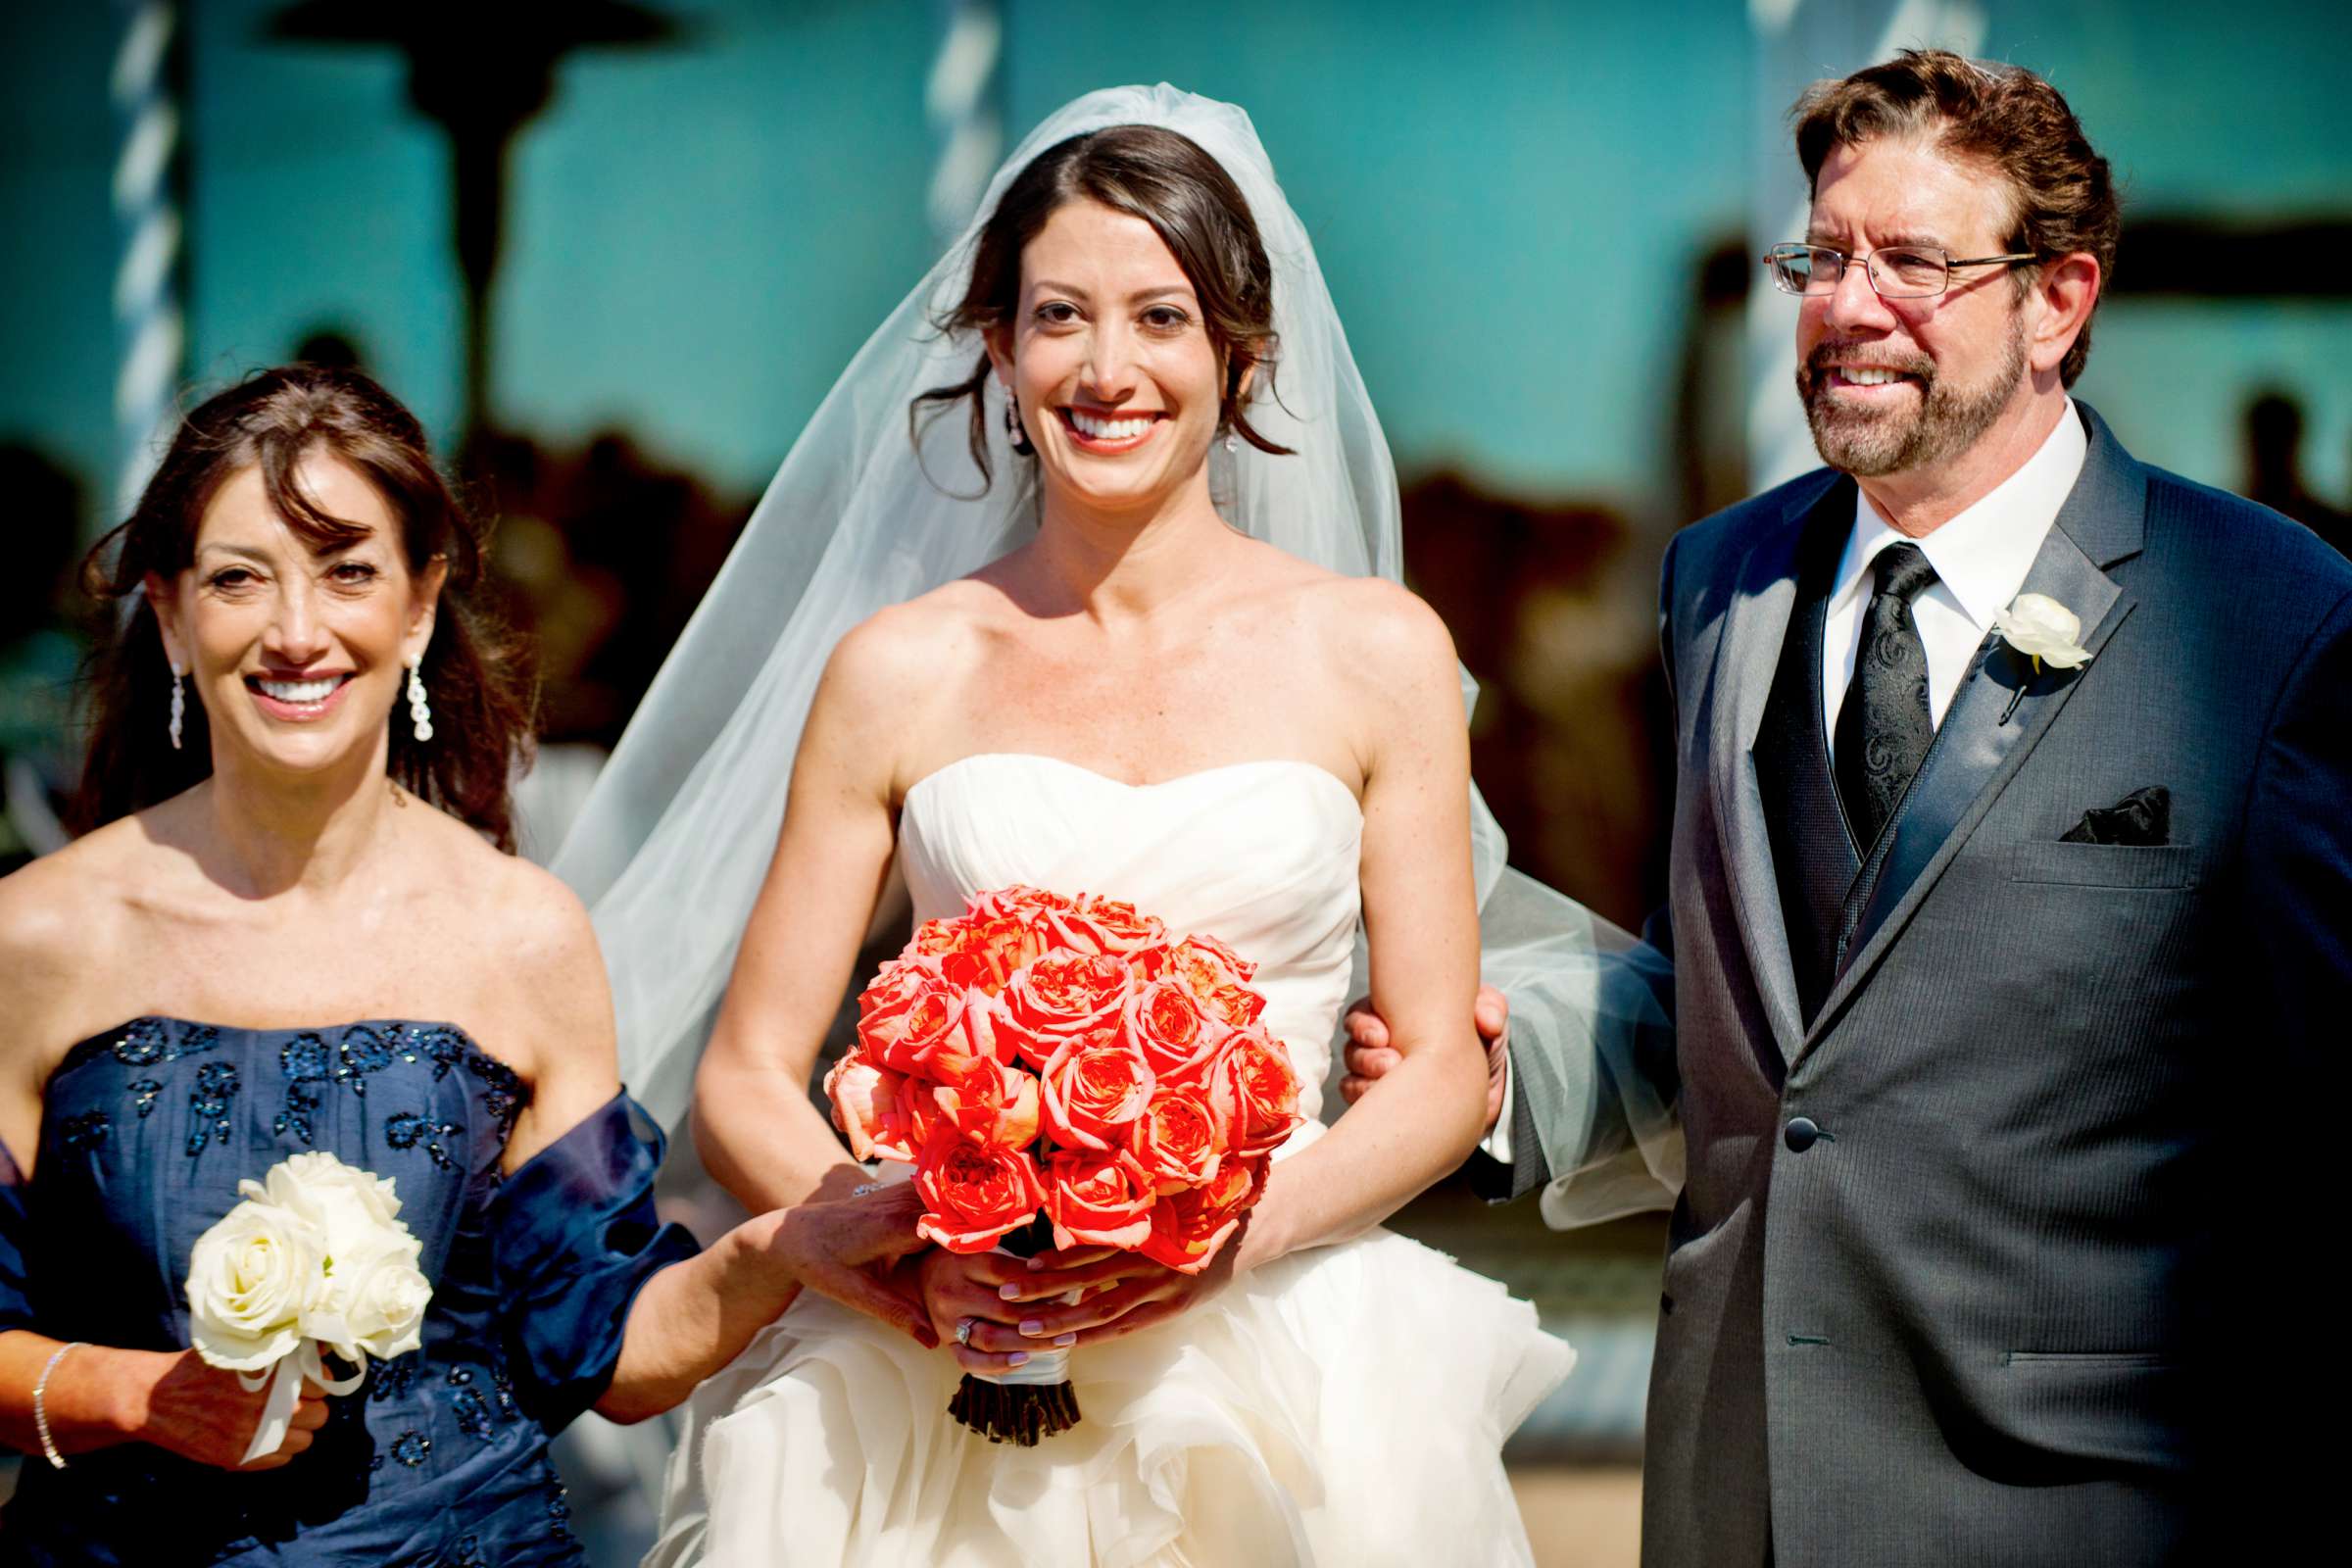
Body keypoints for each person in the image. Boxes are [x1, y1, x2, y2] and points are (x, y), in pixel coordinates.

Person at [552, 87, 1646, 1566]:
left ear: (1239, 352)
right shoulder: (901, 666)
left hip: (1282, 1358)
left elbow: (1443, 1065)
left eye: (1161, 318)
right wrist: (891, 1249)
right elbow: (749, 1069)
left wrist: (1226, 1242)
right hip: (944, 1368)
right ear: (999, 349)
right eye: (1060, 316)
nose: (1107, 367)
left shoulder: (1375, 652)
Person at [1351, 47, 2350, 1565]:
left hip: (2088, 1508)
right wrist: (1498, 1081)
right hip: (1733, 1484)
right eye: (1822, 256)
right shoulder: (1721, 582)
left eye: (1912, 262)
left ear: (2058, 301)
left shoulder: (2269, 617)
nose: (1846, 303)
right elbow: (1741, 1024)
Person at [0, 367, 931, 1565]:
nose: (297, 630)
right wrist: (139, 1397)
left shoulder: (522, 935)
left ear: (421, 605)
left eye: (348, 572)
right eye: (240, 577)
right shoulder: (38, 935)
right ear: (173, 617)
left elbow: (604, 1350)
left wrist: (778, 1249)